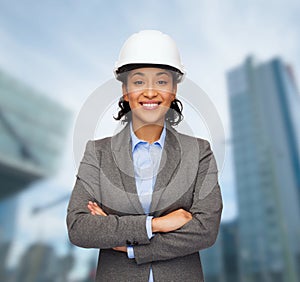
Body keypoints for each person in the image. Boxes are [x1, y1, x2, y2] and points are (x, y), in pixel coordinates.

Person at [67, 30, 223, 282]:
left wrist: (129, 247)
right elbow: (79, 228)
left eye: (161, 82)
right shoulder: (97, 153)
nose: (150, 92)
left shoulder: (199, 152)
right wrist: (155, 225)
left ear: (173, 91)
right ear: (125, 91)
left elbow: (205, 230)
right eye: (139, 82)